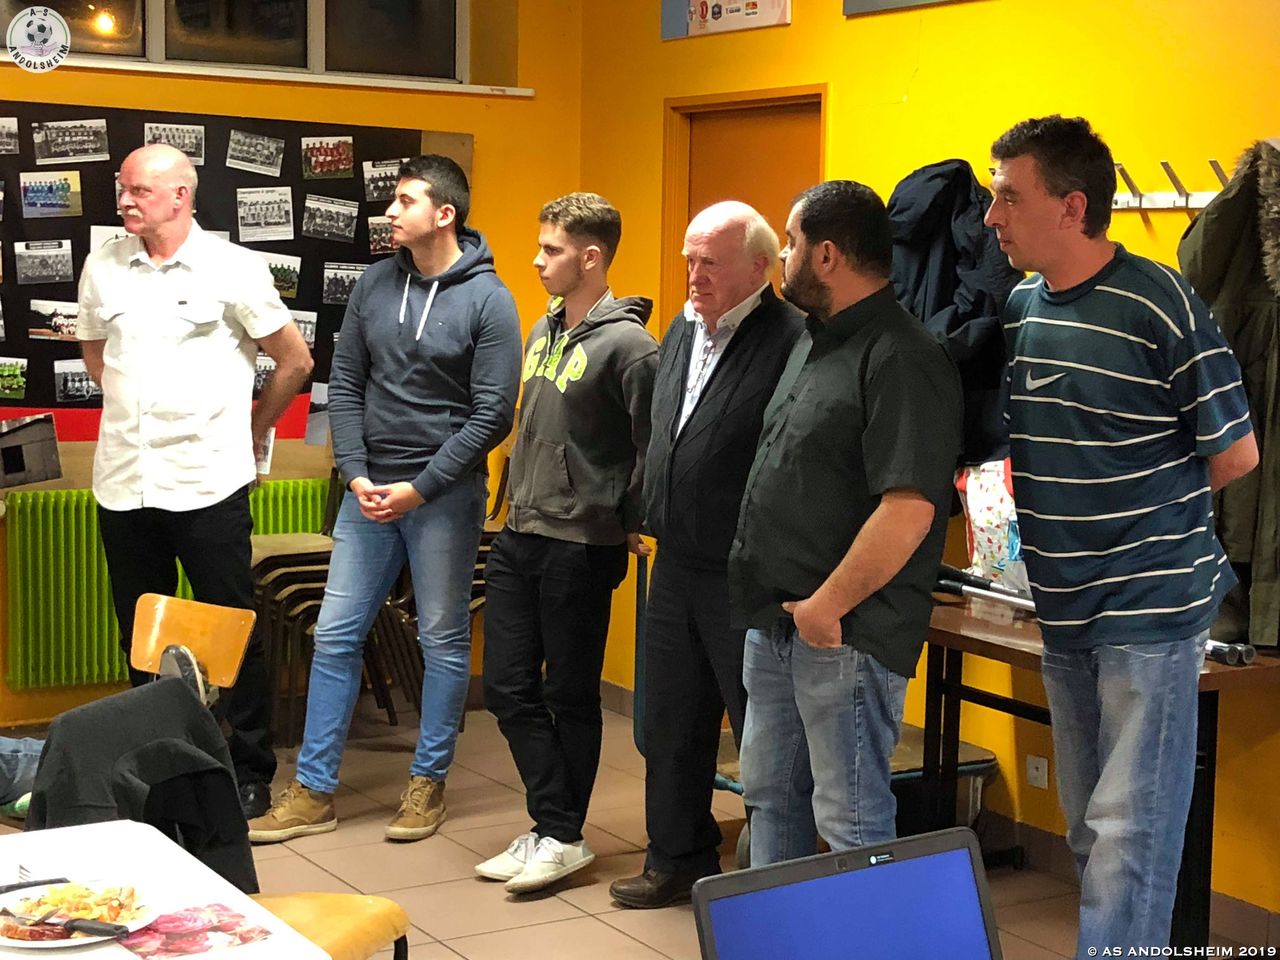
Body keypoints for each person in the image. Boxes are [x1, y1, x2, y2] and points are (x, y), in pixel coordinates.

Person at [985, 116, 1258, 957]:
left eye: (1009, 197)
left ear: (1072, 208)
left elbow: (1236, 451)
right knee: (1090, 831)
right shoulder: (1023, 306)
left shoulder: (1158, 300)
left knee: (1128, 838)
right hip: (1063, 605)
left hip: (1150, 606)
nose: (992, 217)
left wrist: (1147, 525)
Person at [248, 155, 522, 845]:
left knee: (442, 639)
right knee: (337, 634)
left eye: (405, 200)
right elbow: (345, 384)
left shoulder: (490, 300)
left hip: (442, 498)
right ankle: (314, 791)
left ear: (444, 213)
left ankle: (427, 783)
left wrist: (420, 488)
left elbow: (494, 414)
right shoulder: (374, 284)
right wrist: (356, 473)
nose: (391, 212)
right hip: (367, 493)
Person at [76, 144, 314, 820]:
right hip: (124, 481)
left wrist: (251, 431)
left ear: (181, 195)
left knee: (229, 627)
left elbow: (294, 362)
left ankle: (249, 767)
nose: (125, 200)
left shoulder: (232, 267)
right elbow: (95, 354)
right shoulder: (103, 265)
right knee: (140, 631)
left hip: (209, 480)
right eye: (121, 188)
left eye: (139, 190)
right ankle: (157, 767)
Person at [729, 180, 962, 866]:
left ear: (826, 255)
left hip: (844, 632)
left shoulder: (903, 356)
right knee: (770, 798)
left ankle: (872, 925)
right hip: (778, 617)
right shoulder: (812, 339)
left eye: (791, 243)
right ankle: (781, 925)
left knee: (850, 819)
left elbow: (909, 510)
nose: (783, 257)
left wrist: (826, 608)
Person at [609, 202, 804, 909]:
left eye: (710, 263)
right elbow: (662, 430)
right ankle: (676, 857)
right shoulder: (682, 328)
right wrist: (638, 505)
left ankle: (769, 870)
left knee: (758, 728)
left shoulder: (791, 338)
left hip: (744, 569)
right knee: (668, 721)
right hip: (675, 561)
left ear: (760, 266)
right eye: (690, 260)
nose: (694, 275)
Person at [477, 193, 658, 894]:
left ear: (590, 257)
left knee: (570, 693)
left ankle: (560, 833)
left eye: (550, 250)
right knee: (507, 687)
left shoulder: (631, 347)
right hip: (520, 530)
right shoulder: (543, 328)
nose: (536, 260)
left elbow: (650, 445)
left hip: (581, 542)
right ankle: (554, 825)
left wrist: (630, 517)